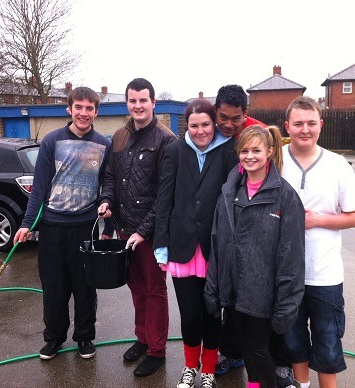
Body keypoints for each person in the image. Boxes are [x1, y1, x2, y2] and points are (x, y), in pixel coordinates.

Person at [13, 86, 111, 360]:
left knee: (84, 288)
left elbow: (108, 183)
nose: (83, 112)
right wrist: (27, 223)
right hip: (53, 227)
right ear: (69, 109)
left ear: (96, 112)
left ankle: (84, 338)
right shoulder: (51, 141)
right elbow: (40, 186)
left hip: (85, 227)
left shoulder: (104, 144)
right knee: (54, 289)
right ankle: (54, 338)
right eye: (78, 107)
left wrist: (106, 204)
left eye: (89, 108)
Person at [204, 125, 305, 388]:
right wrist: (214, 286)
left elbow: (291, 254)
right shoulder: (230, 192)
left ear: (270, 152)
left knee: (259, 349)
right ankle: (253, 384)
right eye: (244, 151)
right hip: (233, 288)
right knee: (246, 346)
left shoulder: (284, 196)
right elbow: (218, 241)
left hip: (261, 291)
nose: (250, 156)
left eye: (256, 150)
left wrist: (287, 301)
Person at [154, 99, 238, 388]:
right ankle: (190, 367)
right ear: (186, 126)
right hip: (183, 247)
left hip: (216, 246)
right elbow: (164, 199)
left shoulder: (228, 150)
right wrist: (161, 244)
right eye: (194, 125)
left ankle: (209, 372)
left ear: (213, 123)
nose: (200, 131)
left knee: (213, 314)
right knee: (190, 316)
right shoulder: (175, 151)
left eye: (205, 124)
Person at [281, 96, 355, 388]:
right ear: (287, 125)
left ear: (321, 125)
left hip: (325, 273)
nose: (305, 129)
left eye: (311, 123)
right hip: (286, 273)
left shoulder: (337, 165)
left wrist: (317, 220)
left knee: (327, 343)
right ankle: (301, 385)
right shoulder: (275, 159)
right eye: (299, 123)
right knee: (293, 340)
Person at [97, 78, 176, 377]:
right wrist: (106, 200)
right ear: (127, 103)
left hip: (152, 234)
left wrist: (143, 231)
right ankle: (142, 338)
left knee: (155, 290)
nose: (138, 106)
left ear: (153, 103)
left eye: (143, 100)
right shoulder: (118, 136)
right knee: (136, 287)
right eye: (133, 101)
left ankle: (157, 349)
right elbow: (110, 176)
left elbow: (165, 195)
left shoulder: (167, 141)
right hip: (124, 229)